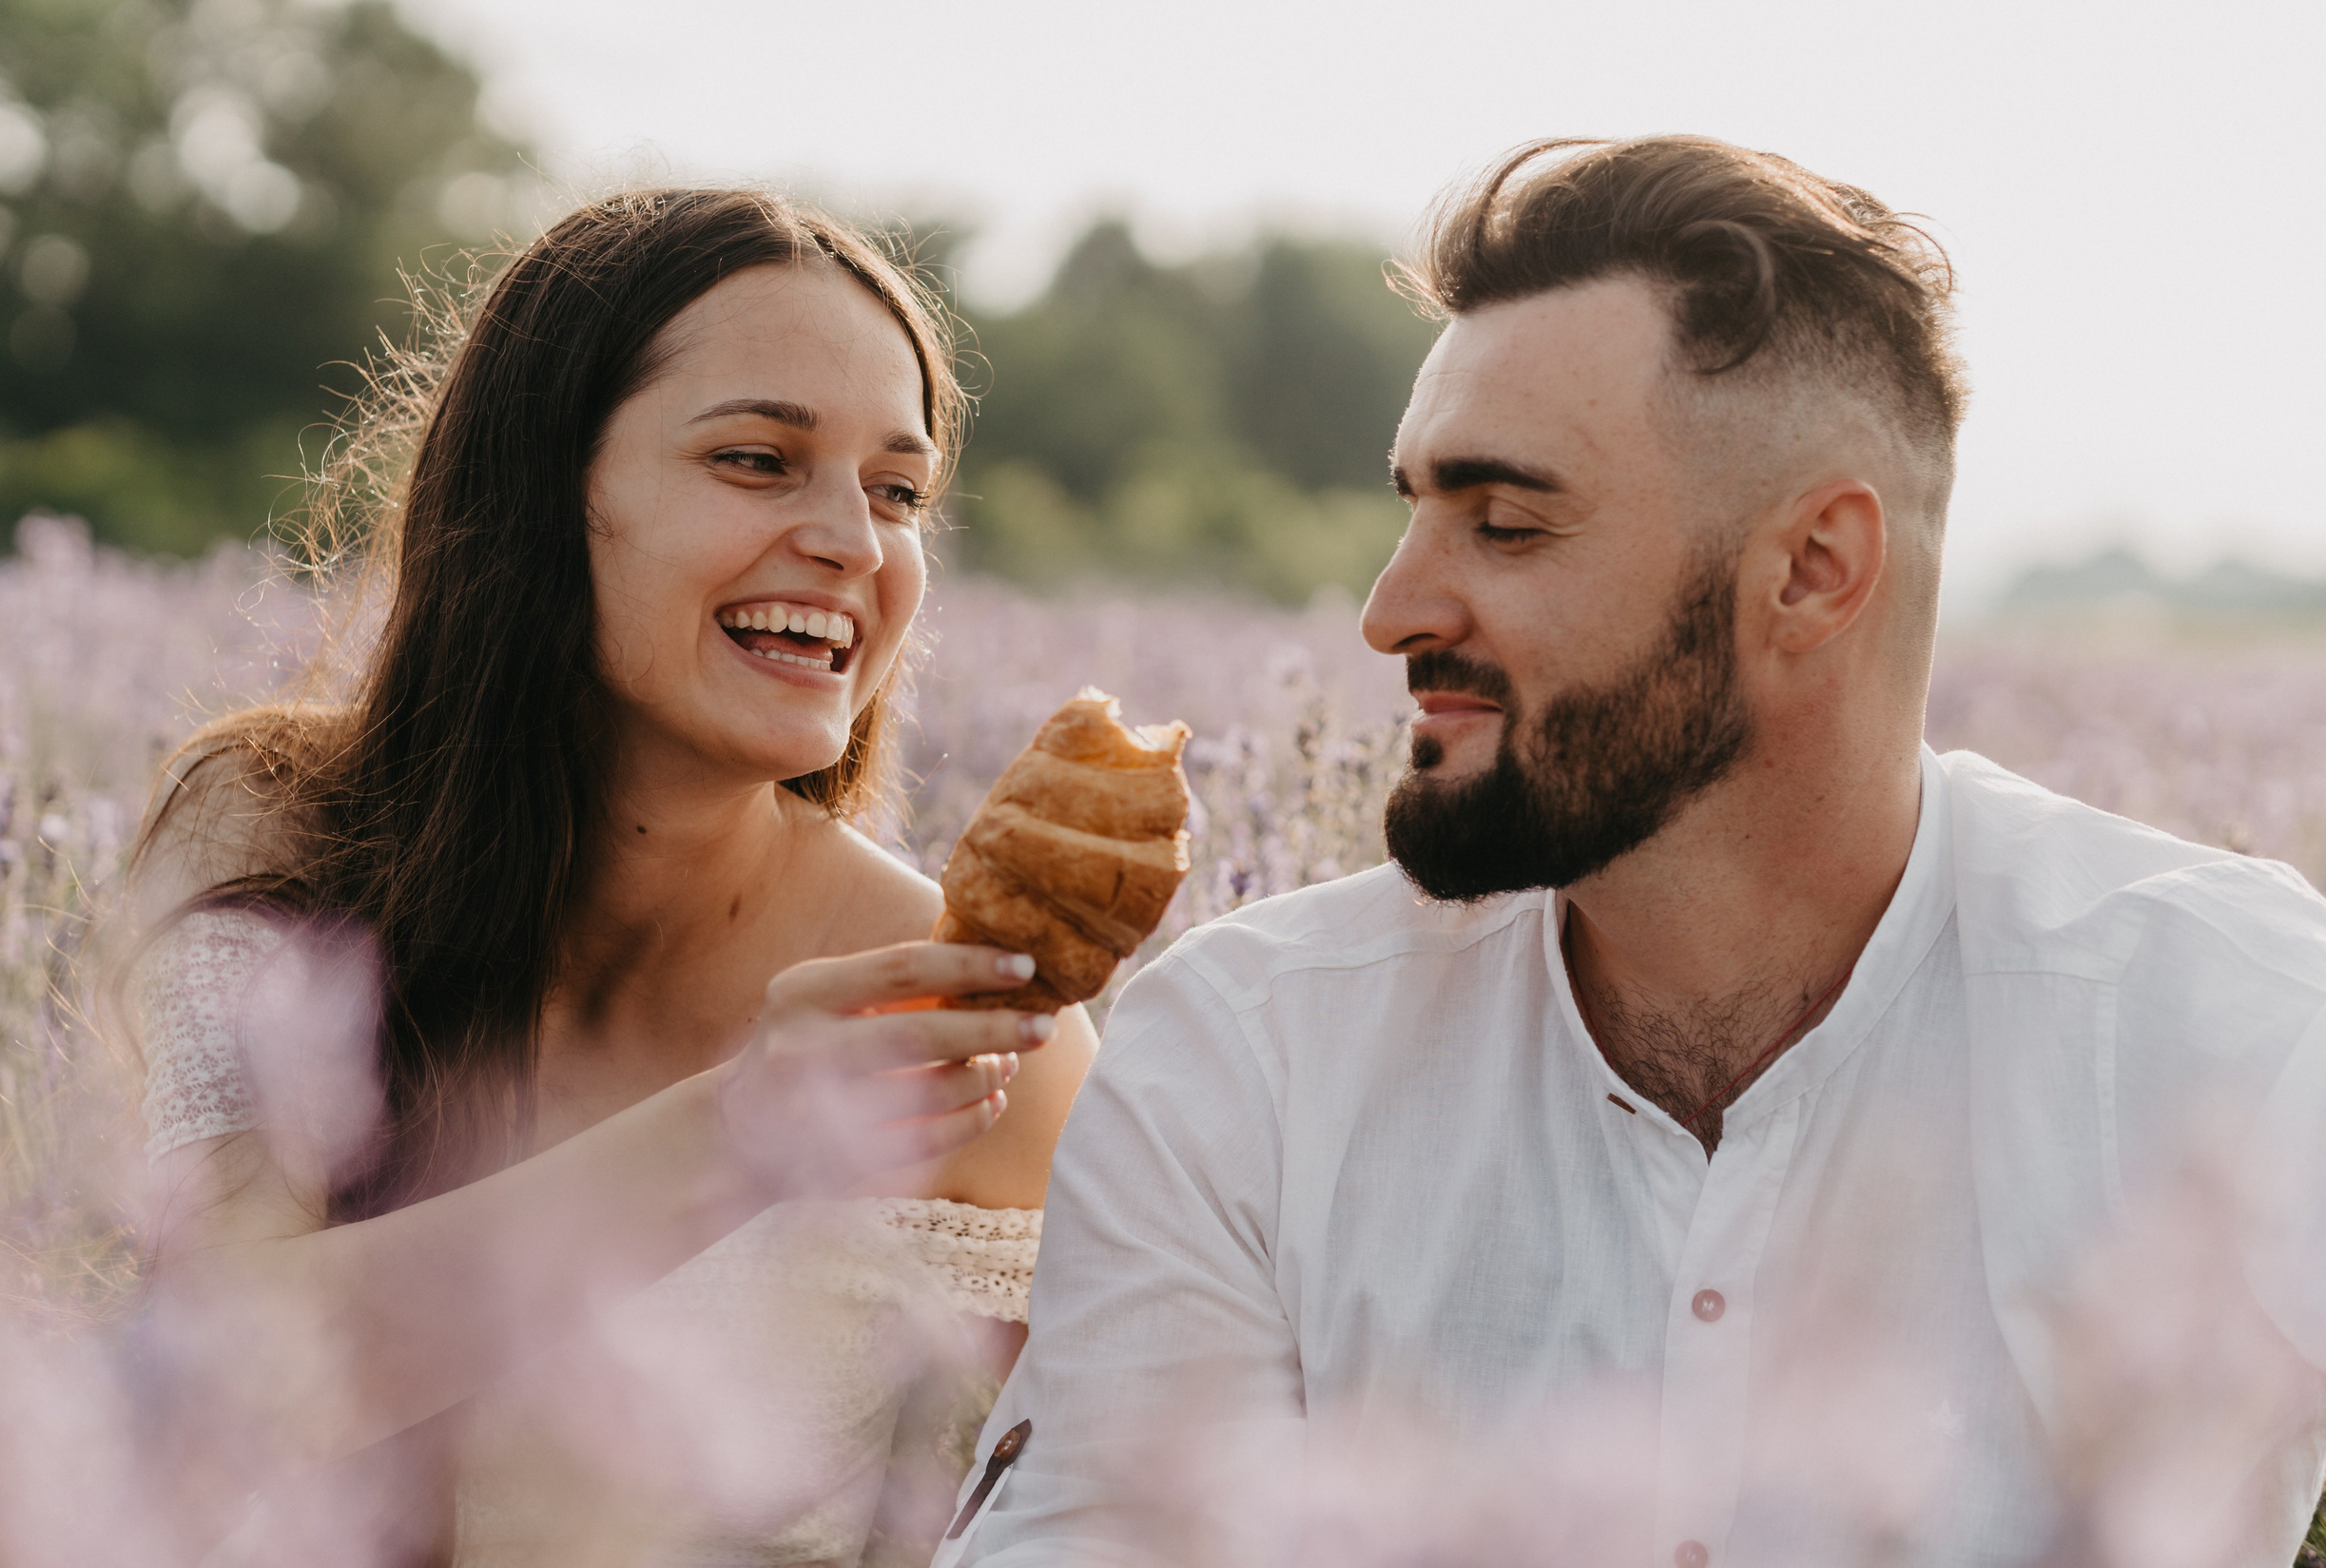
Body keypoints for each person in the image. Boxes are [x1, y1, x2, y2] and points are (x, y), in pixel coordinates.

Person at [941, 138, 2326, 1567]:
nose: (1390, 609)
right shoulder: (1250, 1059)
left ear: (1812, 572)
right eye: (1414, 512)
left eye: (1506, 524)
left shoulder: (2235, 1027)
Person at [122, 188, 1097, 1568]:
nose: (852, 540)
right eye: (757, 460)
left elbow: (1115, 1501)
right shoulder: (279, 835)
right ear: (542, 491)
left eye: (898, 492)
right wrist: (738, 1131)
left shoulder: (970, 1019)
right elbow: (213, 1390)